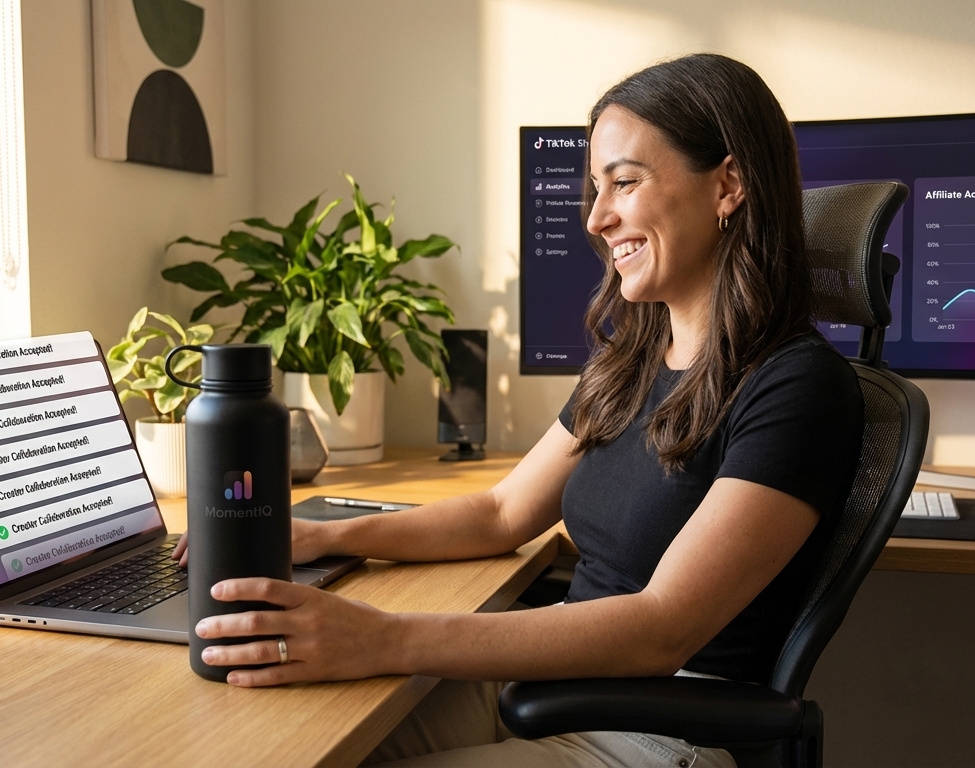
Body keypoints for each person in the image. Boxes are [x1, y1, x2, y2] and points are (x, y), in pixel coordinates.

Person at [173, 53, 864, 767]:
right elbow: (502, 512)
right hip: (554, 682)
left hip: (657, 729)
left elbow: (662, 629)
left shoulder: (797, 390)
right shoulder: (635, 356)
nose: (597, 218)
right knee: (272, 743)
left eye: (624, 182)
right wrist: (328, 536)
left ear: (727, 185)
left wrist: (382, 636)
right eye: (596, 187)